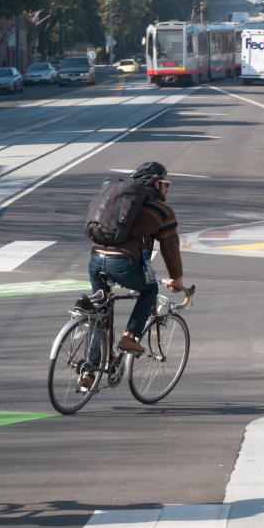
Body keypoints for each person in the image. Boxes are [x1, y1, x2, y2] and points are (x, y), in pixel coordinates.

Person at [81, 161, 188, 390]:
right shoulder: (160, 210)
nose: (168, 189)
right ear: (157, 184)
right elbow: (170, 247)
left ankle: (89, 369)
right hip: (123, 263)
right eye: (166, 184)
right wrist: (177, 278)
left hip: (96, 259)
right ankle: (130, 335)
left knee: (100, 309)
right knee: (150, 289)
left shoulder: (119, 202)